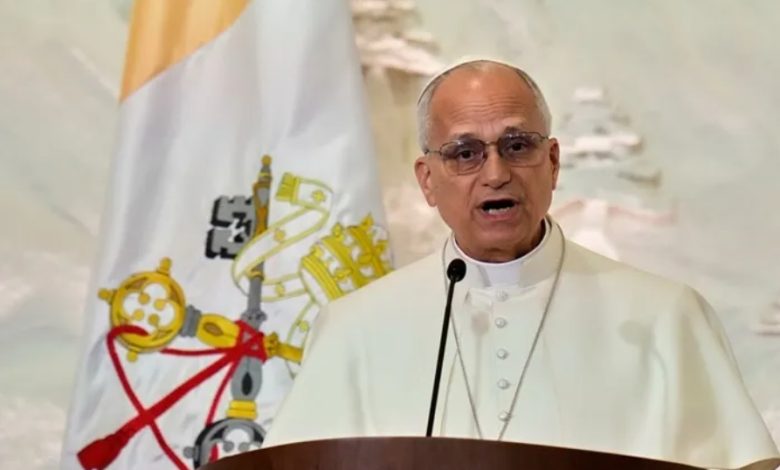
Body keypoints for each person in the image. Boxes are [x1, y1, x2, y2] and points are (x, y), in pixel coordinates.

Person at [262, 58, 780, 469]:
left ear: (552, 163)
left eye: (516, 146)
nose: (495, 173)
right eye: (465, 152)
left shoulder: (666, 317)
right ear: (427, 180)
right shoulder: (355, 329)